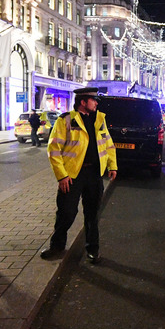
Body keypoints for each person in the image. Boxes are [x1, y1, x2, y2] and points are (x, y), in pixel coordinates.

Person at [42, 87, 118, 264]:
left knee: (92, 214)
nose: (96, 103)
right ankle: (57, 245)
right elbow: (54, 150)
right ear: (83, 102)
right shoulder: (66, 120)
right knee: (66, 212)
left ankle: (93, 249)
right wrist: (62, 176)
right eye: (93, 100)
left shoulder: (100, 120)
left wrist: (112, 165)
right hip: (73, 175)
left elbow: (108, 144)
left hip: (94, 174)